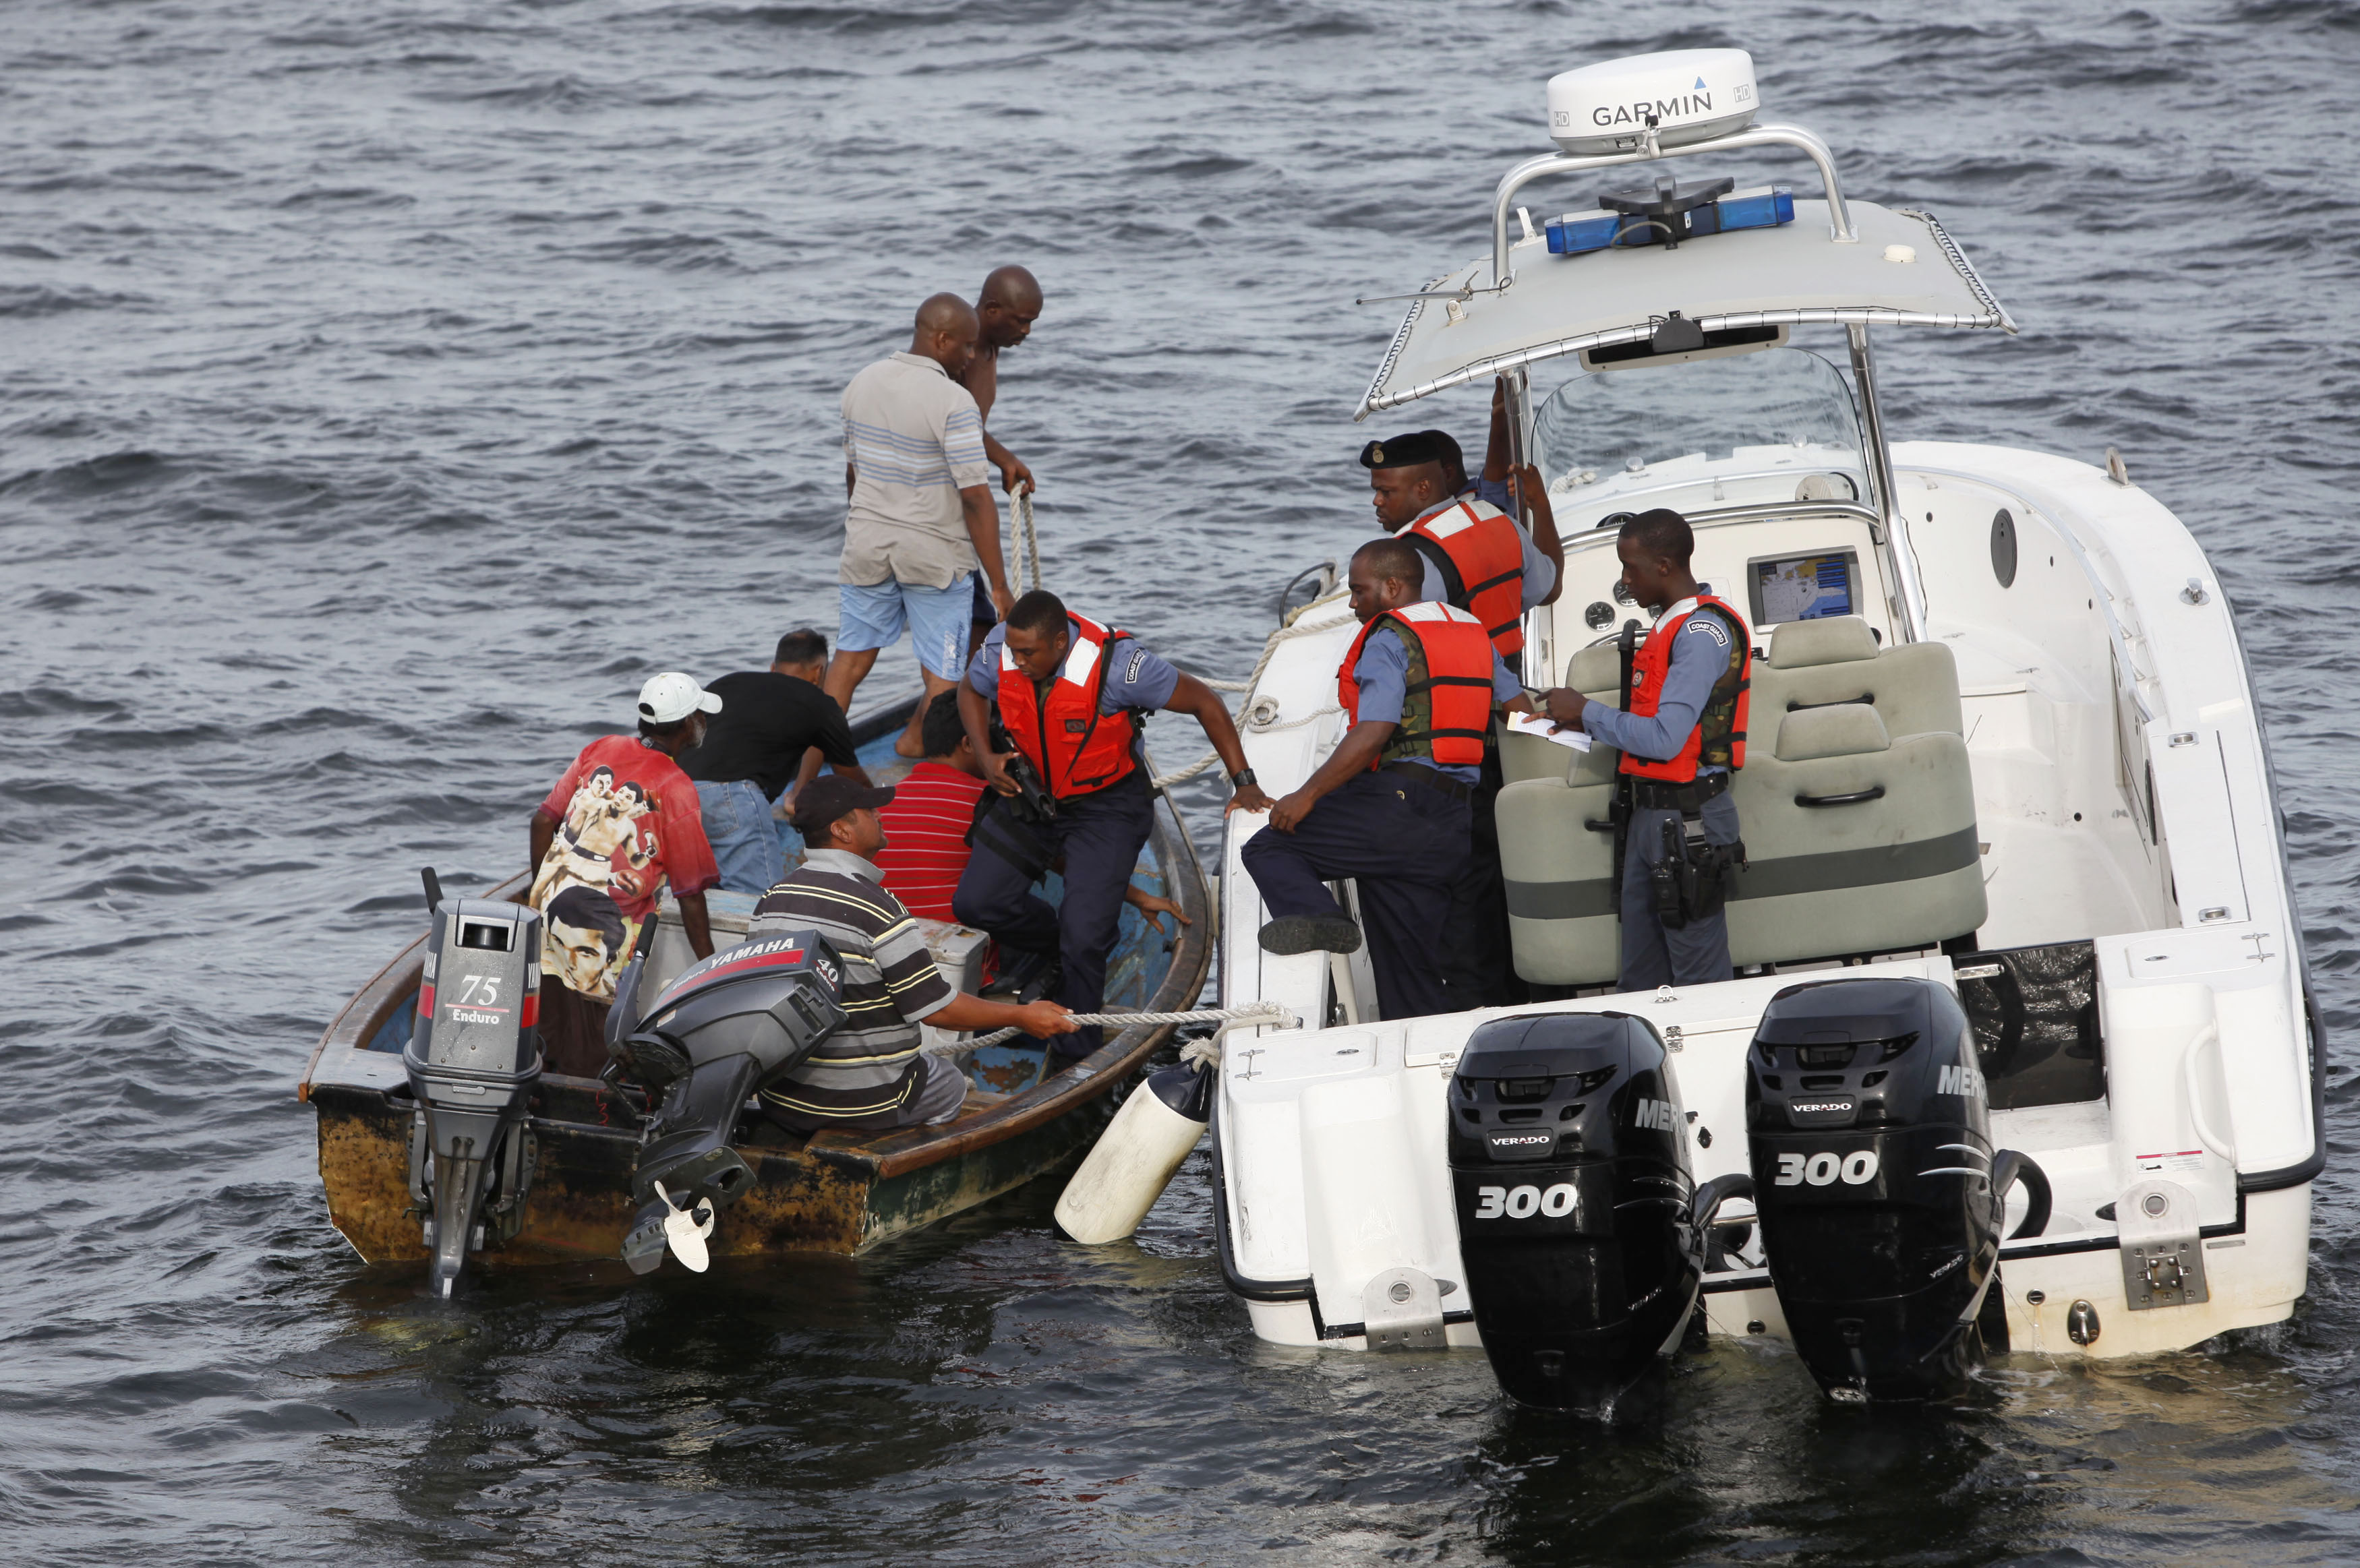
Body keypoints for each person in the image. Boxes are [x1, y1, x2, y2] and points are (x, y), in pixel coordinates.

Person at [953, 590, 1270, 1058]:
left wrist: (1244, 782)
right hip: (1034, 794)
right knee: (977, 902)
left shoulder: (1121, 668)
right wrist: (985, 754)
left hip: (1106, 806)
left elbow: (1204, 701)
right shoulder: (1003, 649)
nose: (1016, 661)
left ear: (1060, 642)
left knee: (1085, 937)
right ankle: (1058, 948)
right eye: (1013, 651)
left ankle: (1077, 1046)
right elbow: (969, 689)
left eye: (1028, 654)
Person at [1239, 537, 1531, 1021]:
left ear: (1393, 587)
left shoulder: (1389, 638)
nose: (1354, 603)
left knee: (1270, 847)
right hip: (1453, 823)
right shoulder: (1472, 632)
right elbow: (1518, 710)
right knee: (1408, 973)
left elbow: (1375, 730)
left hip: (1397, 806)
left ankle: (1324, 919)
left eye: (1360, 590)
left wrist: (1305, 795)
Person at [749, 775, 1078, 1133]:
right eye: (869, 810)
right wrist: (1024, 1016)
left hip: (782, 1098)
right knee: (950, 1082)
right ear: (842, 831)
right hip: (867, 1103)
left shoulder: (771, 900)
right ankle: (902, 1147)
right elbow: (939, 1010)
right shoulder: (878, 908)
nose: (880, 815)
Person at [1538, 508, 1751, 992]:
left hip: (1687, 821)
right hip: (1651, 818)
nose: (1624, 580)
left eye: (1630, 567)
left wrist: (1587, 710)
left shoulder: (1700, 634)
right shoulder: (1668, 627)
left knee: (1698, 981)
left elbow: (1665, 738)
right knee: (1640, 977)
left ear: (1664, 566)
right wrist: (1568, 720)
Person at [827, 293, 1018, 758]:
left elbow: (854, 475)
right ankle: (929, 783)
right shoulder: (954, 401)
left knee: (848, 665)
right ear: (941, 339)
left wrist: (870, 523)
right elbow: (975, 496)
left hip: (868, 546)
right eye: (966, 347)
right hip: (934, 556)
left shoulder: (861, 382)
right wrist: (999, 584)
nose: (971, 357)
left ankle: (803, 785)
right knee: (943, 676)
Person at [878, 689, 1196, 938]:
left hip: (891, 945)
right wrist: (1139, 897)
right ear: (969, 744)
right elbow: (1062, 862)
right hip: (963, 952)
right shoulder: (988, 802)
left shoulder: (882, 802)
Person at [528, 672, 723, 1075]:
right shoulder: (676, 785)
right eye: (700, 714)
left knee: (550, 1024)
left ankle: (542, 1093)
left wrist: (542, 894)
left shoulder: (602, 748)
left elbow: (542, 822)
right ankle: (592, 1110)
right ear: (688, 725)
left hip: (550, 903)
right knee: (599, 1033)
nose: (704, 721)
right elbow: (690, 892)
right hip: (607, 922)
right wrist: (712, 966)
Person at [678, 629, 871, 896]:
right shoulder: (820, 703)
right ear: (818, 672)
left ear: (773, 667)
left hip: (676, 793)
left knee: (694, 896)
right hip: (731, 797)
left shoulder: (729, 682)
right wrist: (878, 802)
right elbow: (848, 774)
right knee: (759, 903)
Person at [958, 266, 1046, 648]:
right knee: (981, 615)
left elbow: (969, 425)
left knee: (979, 622)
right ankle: (954, 700)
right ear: (992, 309)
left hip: (955, 496)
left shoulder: (987, 347)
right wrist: (1003, 457)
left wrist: (1003, 459)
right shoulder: (970, 350)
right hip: (952, 501)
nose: (1026, 331)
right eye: (1021, 321)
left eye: (1032, 322)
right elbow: (960, 429)